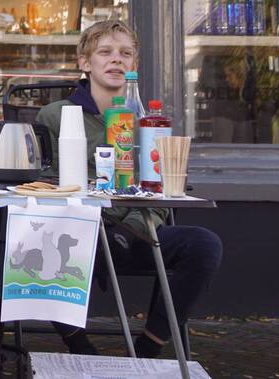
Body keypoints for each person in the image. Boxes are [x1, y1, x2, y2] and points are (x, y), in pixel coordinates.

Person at [36, 19, 223, 358]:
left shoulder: (148, 123)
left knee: (204, 244)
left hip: (138, 234)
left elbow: (159, 188)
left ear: (135, 64)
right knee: (34, 237)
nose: (116, 60)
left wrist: (134, 228)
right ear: (84, 62)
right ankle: (79, 346)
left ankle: (148, 346)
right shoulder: (54, 116)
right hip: (79, 236)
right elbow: (44, 186)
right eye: (105, 52)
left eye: (125, 53)